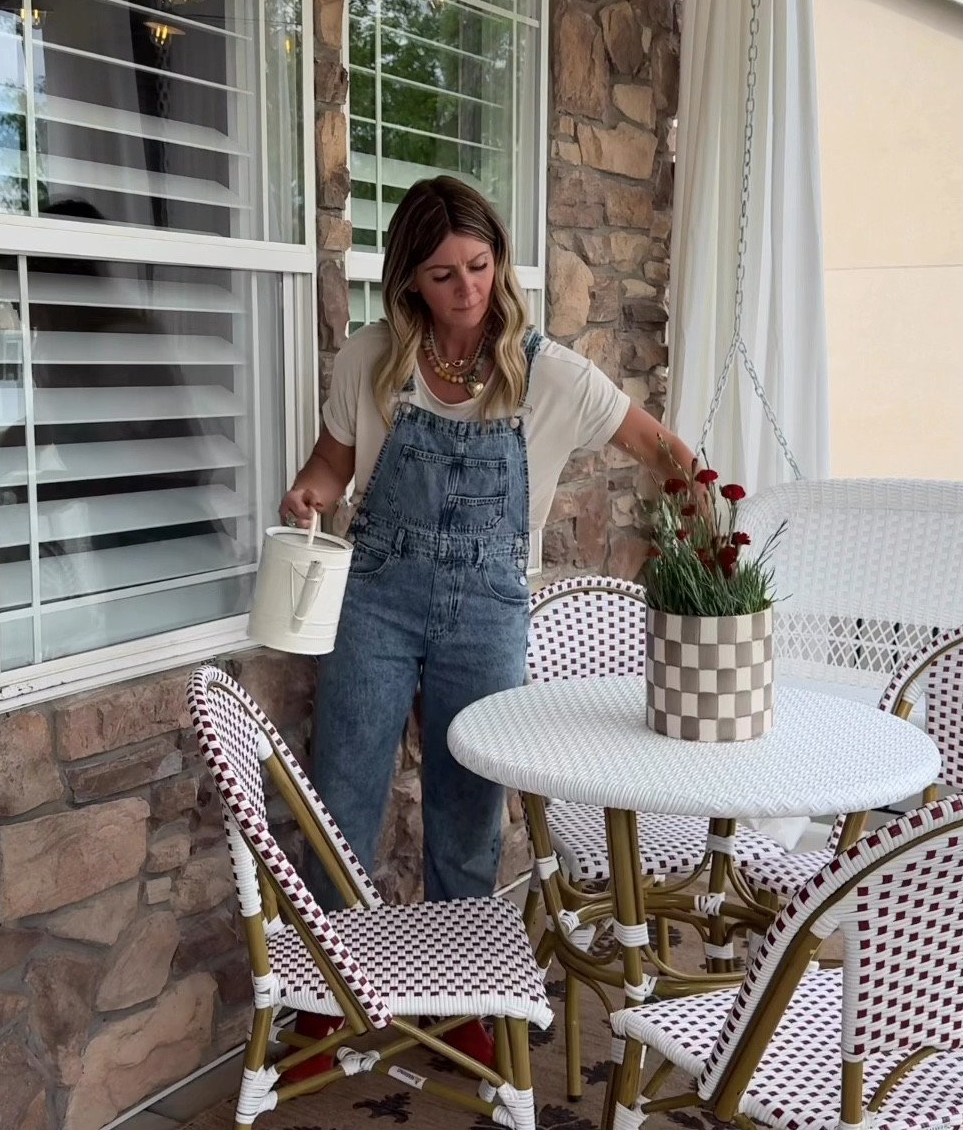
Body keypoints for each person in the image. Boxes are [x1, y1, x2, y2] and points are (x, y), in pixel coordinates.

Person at [281, 173, 695, 946]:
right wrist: (308, 493)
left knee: (468, 818)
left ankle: (461, 1003)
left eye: (479, 265)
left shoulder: (552, 375)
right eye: (442, 275)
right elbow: (332, 466)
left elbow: (667, 453)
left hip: (487, 614)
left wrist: (701, 548)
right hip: (374, 601)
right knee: (338, 804)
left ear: (500, 260)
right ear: (409, 278)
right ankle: (317, 1002)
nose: (467, 288)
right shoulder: (370, 359)